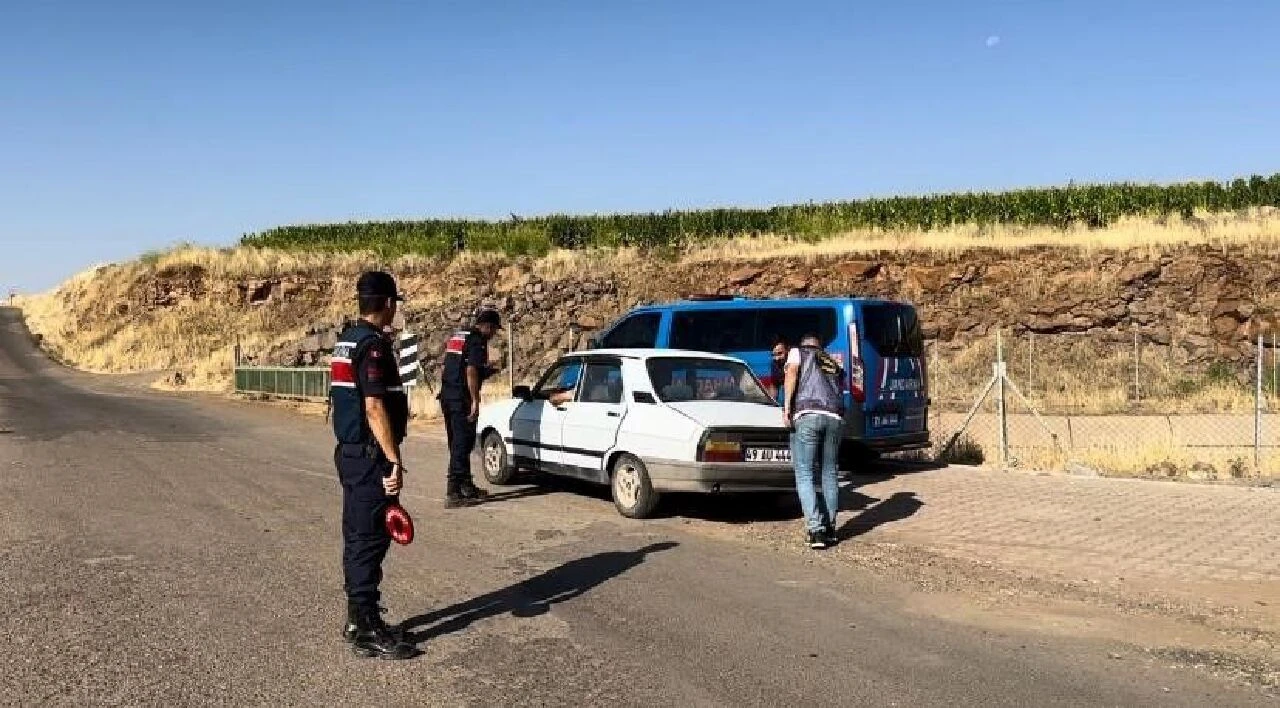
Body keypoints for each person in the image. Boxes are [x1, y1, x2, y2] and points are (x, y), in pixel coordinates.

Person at [330, 271, 415, 660]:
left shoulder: (347, 341)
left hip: (351, 453)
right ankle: (365, 627)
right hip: (369, 457)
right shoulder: (373, 347)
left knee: (358, 536)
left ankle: (358, 618)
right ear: (389, 304)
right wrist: (393, 459)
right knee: (369, 539)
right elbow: (374, 406)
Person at [782, 332, 847, 550]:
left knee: (804, 472)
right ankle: (830, 529)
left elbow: (791, 373)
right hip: (835, 418)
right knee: (829, 472)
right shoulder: (831, 360)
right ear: (819, 346)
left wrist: (787, 408)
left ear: (804, 345)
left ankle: (816, 529)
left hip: (808, 414)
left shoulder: (797, 352)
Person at [438, 307, 503, 507]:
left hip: (448, 396)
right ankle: (454, 491)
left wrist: (487, 371)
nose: (493, 335)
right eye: (493, 330)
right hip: (461, 399)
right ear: (487, 326)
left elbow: (448, 365)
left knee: (458, 443)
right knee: (462, 444)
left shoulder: (459, 336)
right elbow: (471, 370)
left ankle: (466, 485)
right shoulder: (477, 341)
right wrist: (475, 400)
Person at [766, 337, 790, 403]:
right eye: (773, 355)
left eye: (780, 353)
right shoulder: (775, 364)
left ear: (788, 350)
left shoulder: (796, 363)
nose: (777, 358)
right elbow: (774, 385)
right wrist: (771, 403)